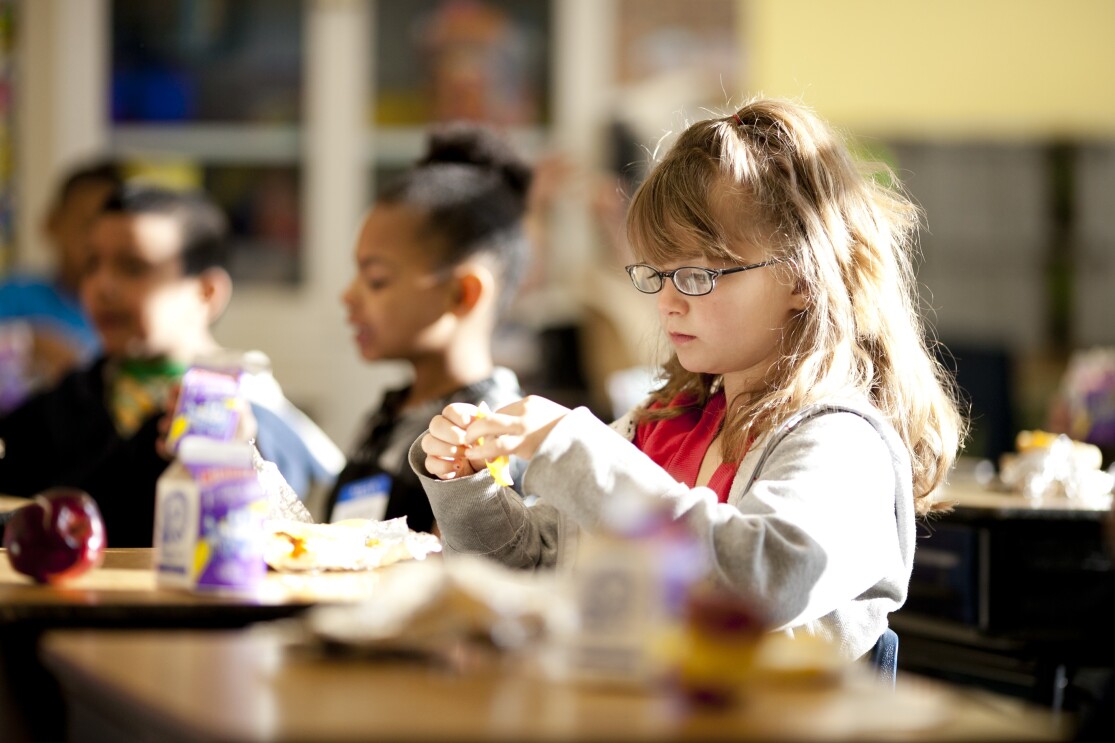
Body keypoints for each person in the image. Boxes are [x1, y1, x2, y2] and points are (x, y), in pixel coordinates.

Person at [412, 97, 967, 660]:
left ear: (802, 278)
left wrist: (574, 451)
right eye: (659, 273)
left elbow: (764, 582)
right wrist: (470, 488)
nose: (669, 302)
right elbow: (535, 569)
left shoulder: (840, 442)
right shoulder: (661, 423)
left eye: (699, 273)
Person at [0, 183, 343, 546]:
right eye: (91, 264)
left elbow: (289, 540)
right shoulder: (69, 399)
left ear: (206, 292)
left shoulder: (249, 415)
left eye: (132, 267)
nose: (102, 285)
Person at [320, 121, 532, 535]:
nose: (349, 296)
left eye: (376, 279)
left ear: (462, 293)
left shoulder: (493, 434)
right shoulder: (390, 415)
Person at [0, 160, 123, 410]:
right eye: (86, 223)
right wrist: (28, 340)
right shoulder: (15, 294)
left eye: (108, 228)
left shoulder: (128, 314)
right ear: (52, 222)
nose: (95, 240)